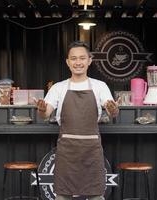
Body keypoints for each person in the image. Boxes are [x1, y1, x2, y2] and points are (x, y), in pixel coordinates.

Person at [35, 41, 119, 200]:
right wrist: (41, 109)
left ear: (89, 60)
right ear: (68, 62)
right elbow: (45, 114)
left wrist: (113, 109)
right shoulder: (58, 88)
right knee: (62, 195)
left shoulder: (99, 86)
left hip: (91, 150)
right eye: (73, 58)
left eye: (82, 58)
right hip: (67, 151)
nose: (78, 62)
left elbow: (111, 110)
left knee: (96, 195)